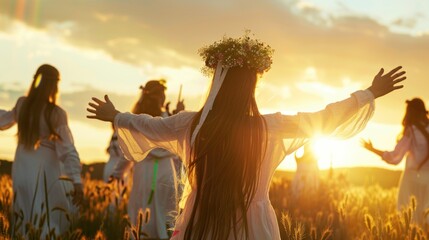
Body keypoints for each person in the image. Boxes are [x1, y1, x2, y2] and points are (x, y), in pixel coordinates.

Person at [86, 34, 406, 239]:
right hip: (253, 227)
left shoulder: (192, 124)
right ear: (251, 87)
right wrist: (368, 94)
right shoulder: (268, 126)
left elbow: (148, 126)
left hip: (202, 222)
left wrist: (115, 116)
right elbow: (323, 117)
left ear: (219, 83)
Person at [0, 64, 83, 238]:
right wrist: (76, 180)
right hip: (45, 168)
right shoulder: (57, 113)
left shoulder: (22, 105)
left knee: (23, 209)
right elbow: (68, 150)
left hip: (22, 166)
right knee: (45, 211)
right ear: (55, 85)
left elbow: (3, 120)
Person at [110, 80, 184, 239]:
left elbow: (127, 151)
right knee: (166, 213)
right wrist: (178, 114)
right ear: (160, 97)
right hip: (166, 170)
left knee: (141, 209)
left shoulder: (137, 120)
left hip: (144, 171)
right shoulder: (166, 119)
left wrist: (118, 173)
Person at [362, 98, 429, 224]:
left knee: (411, 221)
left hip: (412, 180)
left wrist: (372, 149)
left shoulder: (411, 131)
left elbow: (394, 157)